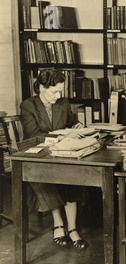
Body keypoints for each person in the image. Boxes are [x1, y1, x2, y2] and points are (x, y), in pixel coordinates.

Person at [20, 68, 87, 250]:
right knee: (50, 179)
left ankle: (72, 228)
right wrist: (63, 137)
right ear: (41, 87)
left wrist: (79, 128)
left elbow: (72, 122)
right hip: (36, 158)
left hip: (60, 154)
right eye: (54, 91)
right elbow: (34, 135)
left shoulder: (63, 103)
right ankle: (59, 224)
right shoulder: (28, 106)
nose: (58, 96)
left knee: (71, 175)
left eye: (60, 91)